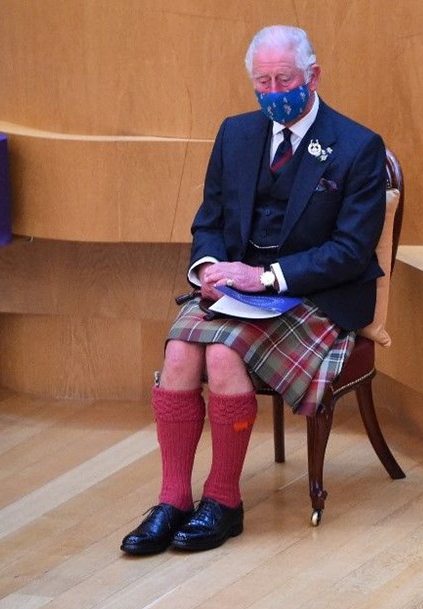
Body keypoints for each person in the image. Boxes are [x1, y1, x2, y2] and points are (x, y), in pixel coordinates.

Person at [121, 25, 387, 555]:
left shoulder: (358, 146)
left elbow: (350, 251)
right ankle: (173, 500)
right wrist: (209, 268)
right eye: (262, 82)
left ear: (312, 76)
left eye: (284, 79)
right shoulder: (236, 134)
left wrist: (265, 278)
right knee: (178, 352)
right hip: (238, 288)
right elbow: (210, 220)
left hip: (316, 294)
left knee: (223, 355)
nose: (273, 91)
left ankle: (224, 501)